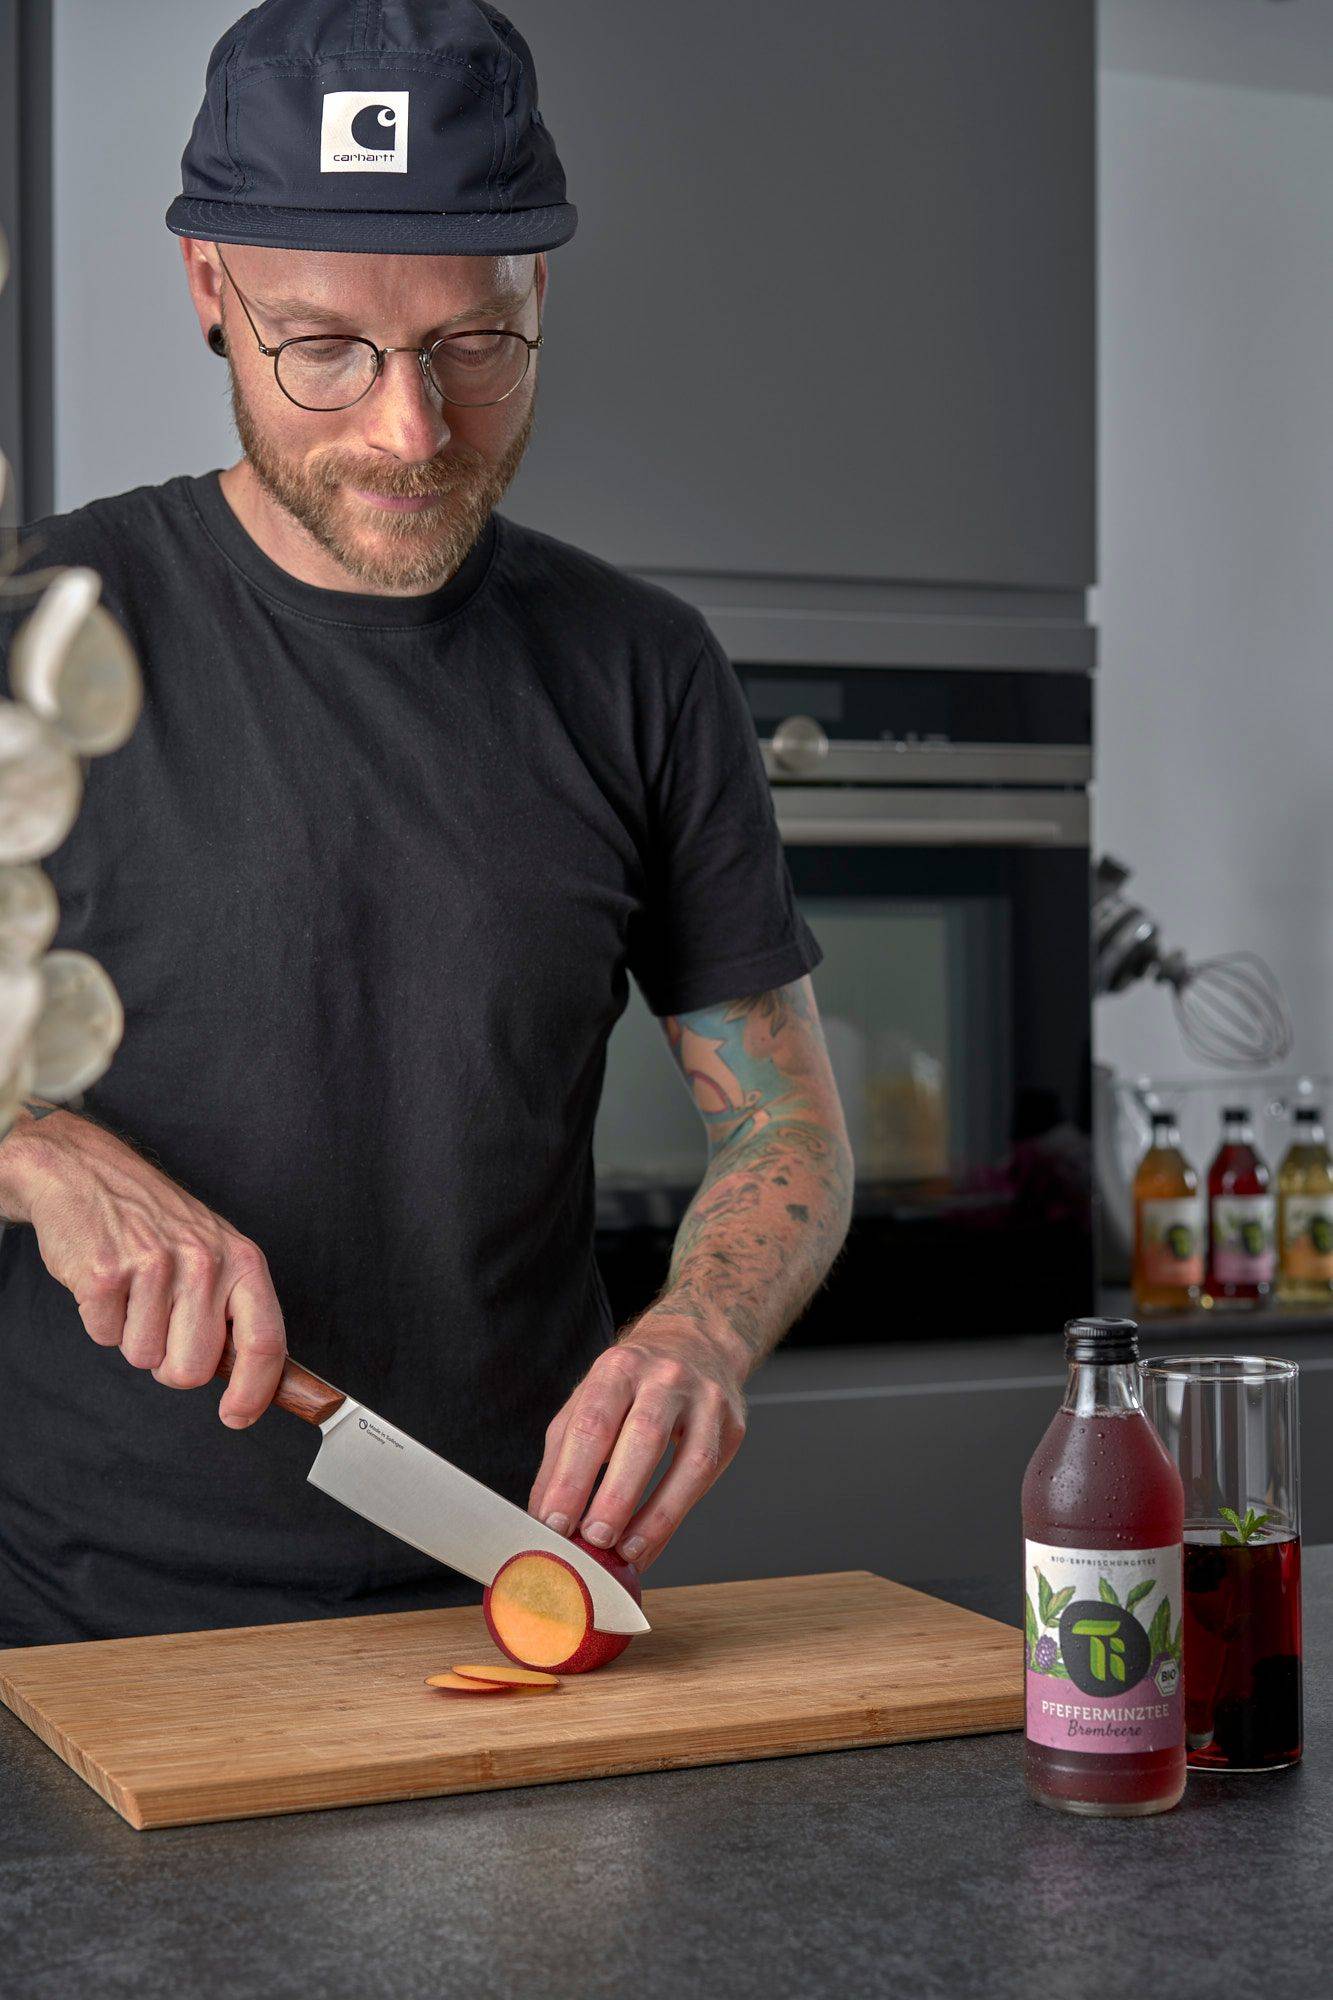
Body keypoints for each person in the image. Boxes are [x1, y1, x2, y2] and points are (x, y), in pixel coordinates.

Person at [0, 0, 851, 1647]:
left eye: (474, 345)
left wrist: (700, 1335)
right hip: (80, 1641)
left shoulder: (642, 670)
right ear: (208, 292)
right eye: (323, 347)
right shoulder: (30, 638)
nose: (410, 428)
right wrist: (35, 1151)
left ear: (539, 290)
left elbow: (784, 1128)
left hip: (508, 1602)